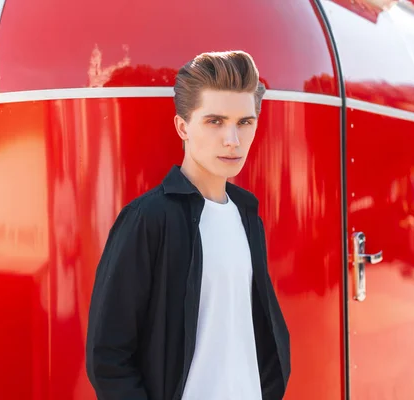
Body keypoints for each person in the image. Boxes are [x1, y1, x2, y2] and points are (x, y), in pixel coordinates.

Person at [86, 50, 290, 400]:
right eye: (215, 121)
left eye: (244, 122)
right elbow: (108, 356)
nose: (233, 140)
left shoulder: (247, 216)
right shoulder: (149, 218)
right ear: (183, 126)